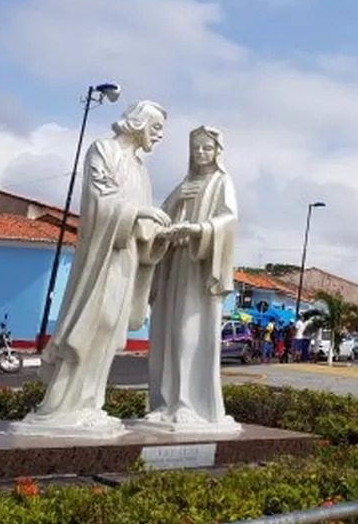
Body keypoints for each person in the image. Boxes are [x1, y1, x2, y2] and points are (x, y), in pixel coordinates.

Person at [16, 101, 171, 436]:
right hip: (103, 256)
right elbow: (100, 202)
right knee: (92, 323)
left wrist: (158, 236)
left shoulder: (141, 169)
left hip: (126, 257)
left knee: (109, 328)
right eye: (156, 128)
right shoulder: (103, 150)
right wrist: (140, 213)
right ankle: (60, 406)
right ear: (139, 123)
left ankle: (89, 404)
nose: (159, 137)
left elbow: (142, 229)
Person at [144, 126, 240, 432]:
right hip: (173, 262)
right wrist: (173, 201)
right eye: (196, 148)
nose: (201, 154)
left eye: (207, 149)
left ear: (217, 152)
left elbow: (229, 219)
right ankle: (164, 403)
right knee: (166, 331)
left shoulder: (221, 182)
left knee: (188, 332)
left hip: (198, 266)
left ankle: (187, 403)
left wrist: (198, 230)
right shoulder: (185, 183)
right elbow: (160, 218)